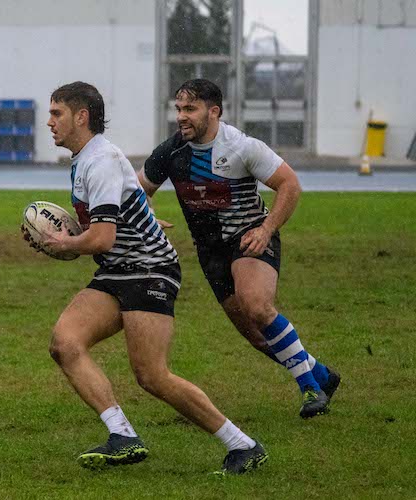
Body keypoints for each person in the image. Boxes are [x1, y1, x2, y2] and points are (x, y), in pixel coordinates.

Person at [30, 81, 267, 475]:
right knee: (65, 343)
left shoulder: (99, 160)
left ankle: (243, 445)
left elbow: (102, 237)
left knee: (152, 376)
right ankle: (122, 436)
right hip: (118, 270)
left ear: (81, 116)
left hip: (149, 269)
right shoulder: (85, 159)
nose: (49, 122)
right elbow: (112, 224)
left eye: (57, 114)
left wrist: (65, 244)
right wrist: (68, 241)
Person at [140, 79, 340, 419]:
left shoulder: (241, 147)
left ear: (213, 111)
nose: (181, 117)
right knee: (257, 337)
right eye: (178, 109)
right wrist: (149, 215)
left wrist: (267, 229)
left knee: (257, 306)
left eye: (190, 109)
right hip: (210, 252)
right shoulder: (171, 152)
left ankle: (310, 388)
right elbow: (139, 189)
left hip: (250, 237)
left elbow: (289, 184)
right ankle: (321, 374)